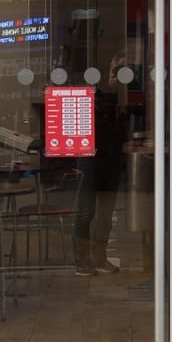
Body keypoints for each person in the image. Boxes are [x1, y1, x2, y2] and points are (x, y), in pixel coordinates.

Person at [72, 54, 130, 275]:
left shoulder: (122, 97)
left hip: (112, 159)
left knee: (106, 213)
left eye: (122, 71)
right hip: (90, 158)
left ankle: (100, 257)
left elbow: (123, 128)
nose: (117, 76)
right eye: (115, 71)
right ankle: (82, 259)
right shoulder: (92, 94)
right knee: (85, 212)